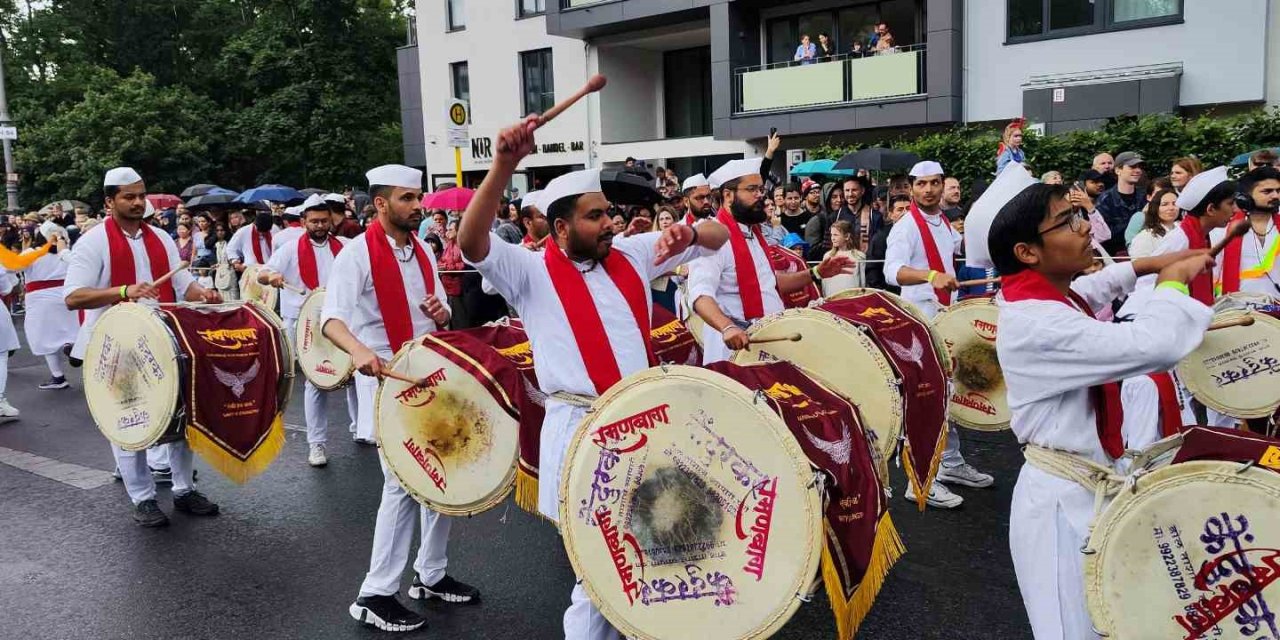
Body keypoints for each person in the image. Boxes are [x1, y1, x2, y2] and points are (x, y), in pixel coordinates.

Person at [458, 115, 732, 640]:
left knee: (654, 556)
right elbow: (473, 243)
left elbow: (718, 238)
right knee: (601, 573)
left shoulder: (630, 253)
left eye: (608, 213)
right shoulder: (529, 271)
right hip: (581, 434)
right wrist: (503, 165)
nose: (610, 223)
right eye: (595, 217)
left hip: (646, 425)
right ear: (561, 228)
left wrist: (690, 230)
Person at [987, 181, 1213, 640]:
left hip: (1085, 486)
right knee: (1071, 631)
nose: (1085, 226)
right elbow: (1155, 344)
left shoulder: (1040, 294)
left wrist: (1145, 266)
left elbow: (1091, 289)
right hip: (1059, 504)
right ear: (1028, 252)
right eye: (1067, 221)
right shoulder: (1040, 323)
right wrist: (1170, 284)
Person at [320, 164, 478, 632]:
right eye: (407, 199)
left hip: (426, 375)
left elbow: (441, 313)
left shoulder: (424, 251)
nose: (418, 206)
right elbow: (332, 319)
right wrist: (360, 351)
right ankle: (375, 594)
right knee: (405, 484)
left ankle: (430, 574)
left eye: (419, 198)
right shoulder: (356, 255)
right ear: (381, 204)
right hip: (385, 378)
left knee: (438, 476)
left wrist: (441, 309)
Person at [65, 167, 224, 527]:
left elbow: (184, 287)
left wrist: (205, 295)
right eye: (129, 197)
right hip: (115, 346)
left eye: (141, 195)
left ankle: (184, 490)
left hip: (165, 341)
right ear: (110, 202)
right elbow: (73, 297)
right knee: (127, 421)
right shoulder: (93, 243)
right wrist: (123, 291)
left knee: (182, 416)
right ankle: (143, 497)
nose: (139, 202)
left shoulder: (162, 239)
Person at [885, 160, 993, 507]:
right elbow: (893, 272)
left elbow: (958, 252)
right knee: (927, 399)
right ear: (911, 188)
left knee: (946, 395)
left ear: (943, 185)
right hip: (919, 322)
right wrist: (932, 277)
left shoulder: (943, 222)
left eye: (934, 183)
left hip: (944, 319)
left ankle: (950, 464)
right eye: (921, 184)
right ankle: (919, 481)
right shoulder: (905, 228)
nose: (928, 190)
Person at [688, 158, 854, 365]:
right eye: (752, 189)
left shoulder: (754, 233)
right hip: (734, 350)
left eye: (760, 189)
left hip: (768, 341)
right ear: (728, 195)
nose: (760, 195)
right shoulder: (712, 236)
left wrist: (816, 273)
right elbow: (700, 295)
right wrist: (727, 327)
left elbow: (769, 283)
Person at [257, 195, 357, 467]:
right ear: (304, 222)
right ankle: (317, 445)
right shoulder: (289, 249)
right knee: (317, 381)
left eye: (324, 220)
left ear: (332, 220)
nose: (320, 225)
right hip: (306, 324)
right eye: (314, 221)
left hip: (341, 320)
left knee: (356, 373)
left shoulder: (346, 247)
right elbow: (262, 274)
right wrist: (272, 277)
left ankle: (361, 428)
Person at [20, 223, 79, 389]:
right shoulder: (65, 253)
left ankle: (58, 376)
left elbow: (15, 267)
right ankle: (70, 346)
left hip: (40, 300)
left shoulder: (33, 253)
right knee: (70, 330)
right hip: (65, 295)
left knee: (44, 336)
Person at [1213, 165, 1280, 298]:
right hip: (1237, 310)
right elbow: (1210, 273)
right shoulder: (1223, 230)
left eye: (1278, 191)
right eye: (1267, 192)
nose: (1276, 195)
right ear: (1246, 197)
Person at [1094, 151, 1147, 255]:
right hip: (1115, 257)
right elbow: (1106, 235)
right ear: (1118, 170)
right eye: (1132, 167)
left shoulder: (1145, 196)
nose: (1137, 170)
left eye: (1139, 167)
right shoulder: (1105, 200)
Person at [866, 194, 910, 293]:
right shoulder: (881, 237)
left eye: (908, 208)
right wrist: (881, 292)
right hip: (890, 294)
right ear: (891, 214)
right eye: (900, 209)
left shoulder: (920, 233)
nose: (905, 212)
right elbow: (872, 267)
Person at [1127, 189, 1180, 259]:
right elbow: (1139, 265)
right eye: (1164, 204)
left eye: (1175, 204)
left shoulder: (1182, 230)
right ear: (1155, 208)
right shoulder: (1145, 236)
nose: (1171, 208)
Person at [822, 220, 864, 296]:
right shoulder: (827, 256)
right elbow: (824, 282)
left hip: (852, 299)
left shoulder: (859, 256)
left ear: (847, 236)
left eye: (836, 235)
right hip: (832, 299)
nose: (832, 238)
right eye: (831, 235)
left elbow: (862, 281)